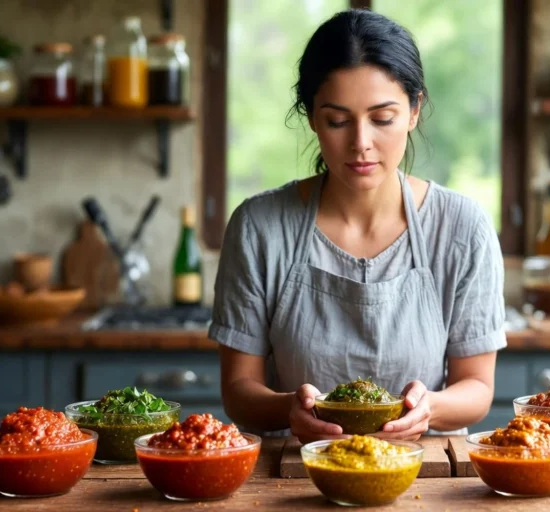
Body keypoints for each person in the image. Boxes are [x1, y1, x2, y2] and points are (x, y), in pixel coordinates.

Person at [209, 8, 506, 443]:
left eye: (383, 118)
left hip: (425, 474)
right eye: (337, 120)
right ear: (311, 117)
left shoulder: (463, 227)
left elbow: (477, 388)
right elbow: (239, 391)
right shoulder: (259, 227)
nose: (361, 143)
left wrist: (430, 407)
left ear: (414, 110)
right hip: (296, 473)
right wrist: (288, 408)